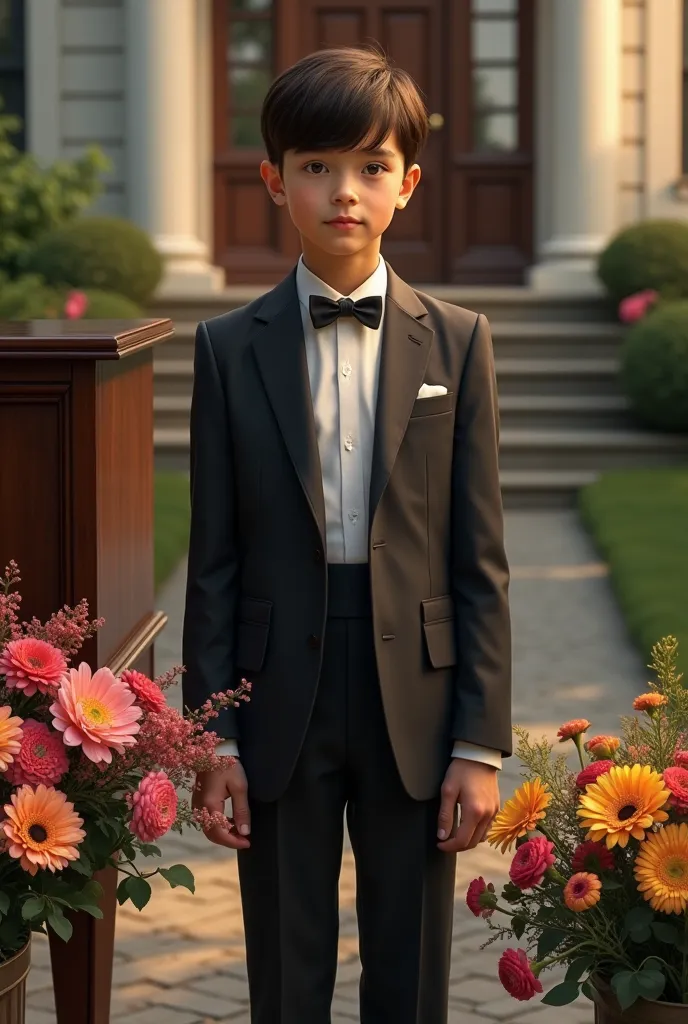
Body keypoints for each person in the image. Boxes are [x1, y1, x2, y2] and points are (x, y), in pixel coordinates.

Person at [182, 45, 512, 1024]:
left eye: (371, 167)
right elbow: (213, 562)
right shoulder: (226, 349)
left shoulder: (457, 341)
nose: (344, 192)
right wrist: (214, 733)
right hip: (276, 681)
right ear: (274, 180)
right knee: (284, 963)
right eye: (317, 166)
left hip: (412, 689)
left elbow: (480, 557)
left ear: (407, 184)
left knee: (409, 966)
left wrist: (481, 742)